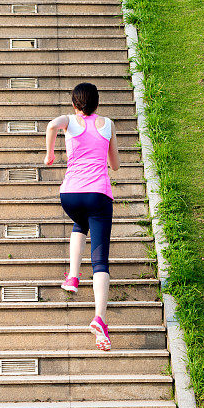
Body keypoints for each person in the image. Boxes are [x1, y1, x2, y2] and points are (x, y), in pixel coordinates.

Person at [44, 82, 120, 350]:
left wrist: (50, 153)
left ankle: (73, 276)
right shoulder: (108, 124)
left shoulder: (70, 122)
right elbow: (115, 165)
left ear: (75, 104)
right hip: (98, 195)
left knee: (79, 223)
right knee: (100, 262)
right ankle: (99, 319)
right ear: (97, 104)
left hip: (70, 196)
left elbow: (52, 124)